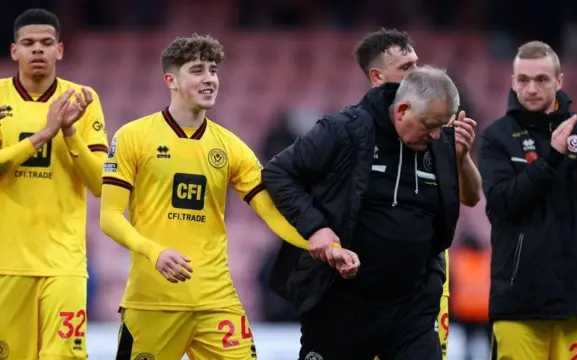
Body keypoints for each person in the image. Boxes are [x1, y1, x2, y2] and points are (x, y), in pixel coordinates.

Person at [99, 34, 358, 360]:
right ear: (171, 80)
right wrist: (154, 252)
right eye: (197, 70)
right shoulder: (133, 137)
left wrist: (320, 246)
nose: (209, 79)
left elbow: (271, 212)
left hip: (217, 301)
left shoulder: (231, 146)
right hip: (153, 301)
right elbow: (109, 217)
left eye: (213, 70)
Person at [263, 66, 472, 360]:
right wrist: (316, 228)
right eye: (430, 124)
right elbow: (278, 173)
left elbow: (469, 198)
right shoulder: (345, 130)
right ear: (401, 111)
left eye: (442, 125)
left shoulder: (438, 141)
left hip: (412, 309)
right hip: (343, 305)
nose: (437, 135)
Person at [478, 41, 577, 360]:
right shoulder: (496, 137)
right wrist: (551, 159)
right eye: (524, 80)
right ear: (513, 82)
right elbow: (503, 203)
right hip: (520, 304)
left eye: (542, 79)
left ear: (558, 82)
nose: (532, 88)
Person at [352, 28, 482, 359]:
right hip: (368, 284)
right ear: (377, 77)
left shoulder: (438, 130)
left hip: (426, 285)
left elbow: (471, 196)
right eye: (407, 68)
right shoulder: (356, 132)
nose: (418, 73)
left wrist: (463, 157)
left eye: (417, 63)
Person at [0, 8, 108, 360]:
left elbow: (98, 184)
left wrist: (69, 132)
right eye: (28, 43)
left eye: (46, 43)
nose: (37, 50)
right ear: (14, 50)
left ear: (59, 50)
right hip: (7, 262)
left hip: (64, 263)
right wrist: (43, 134)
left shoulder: (82, 100)